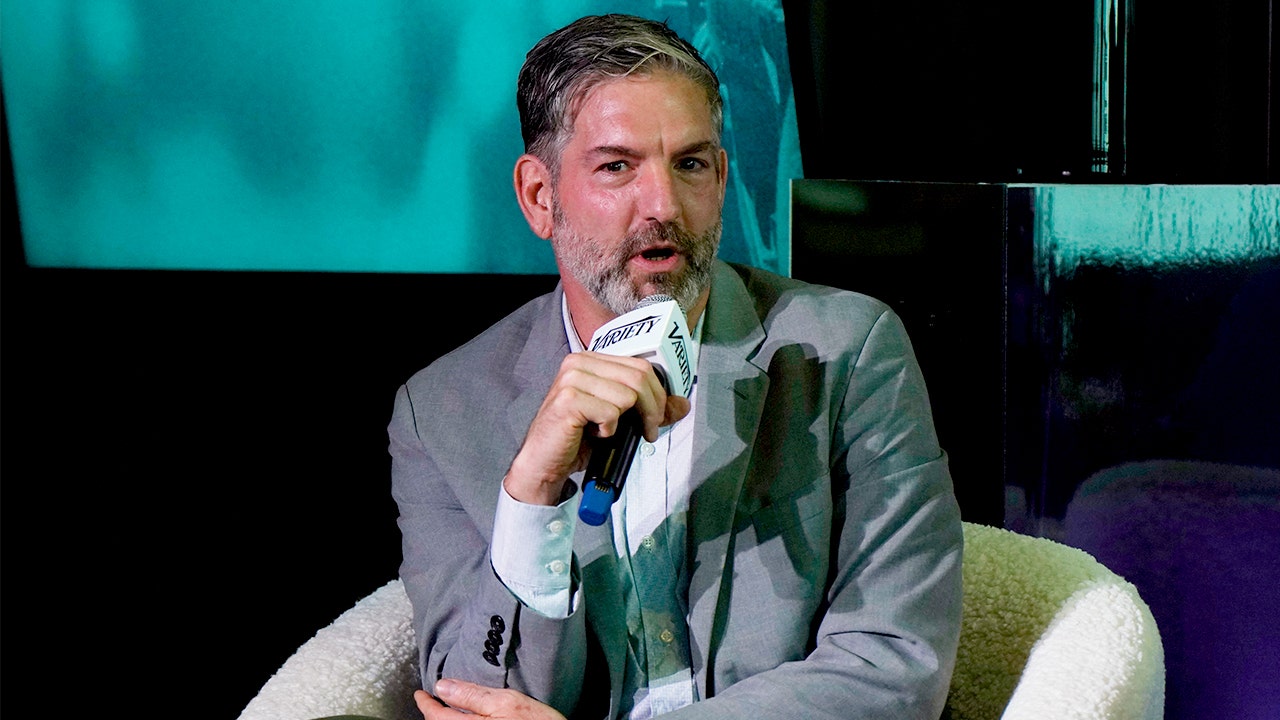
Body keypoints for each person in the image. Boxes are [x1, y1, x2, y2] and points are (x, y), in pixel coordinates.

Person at [389, 14, 963, 720]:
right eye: (617, 167)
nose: (662, 205)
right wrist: (531, 495)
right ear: (540, 197)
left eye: (690, 164)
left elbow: (893, 667)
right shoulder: (441, 410)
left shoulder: (846, 350)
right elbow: (467, 696)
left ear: (720, 180)